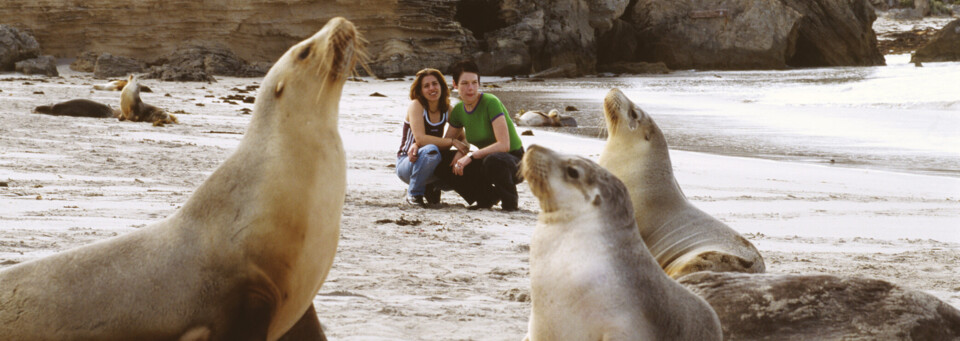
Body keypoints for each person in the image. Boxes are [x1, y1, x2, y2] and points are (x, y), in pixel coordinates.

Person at [441, 60, 525, 211]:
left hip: (515, 162)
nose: (470, 88)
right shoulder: (459, 111)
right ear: (455, 84)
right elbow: (446, 142)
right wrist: (460, 152)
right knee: (443, 160)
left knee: (494, 160)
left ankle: (510, 203)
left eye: (474, 82)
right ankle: (486, 198)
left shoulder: (490, 102)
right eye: (465, 83)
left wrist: (471, 156)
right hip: (488, 160)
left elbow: (503, 145)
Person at [395, 68, 467, 207]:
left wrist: (461, 153)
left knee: (465, 162)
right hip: (407, 161)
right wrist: (452, 141)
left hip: (431, 161)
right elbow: (421, 139)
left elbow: (464, 140)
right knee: (431, 150)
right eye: (426, 86)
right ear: (420, 90)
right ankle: (414, 194)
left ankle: (432, 187)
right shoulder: (417, 106)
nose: (432, 88)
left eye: (435, 84)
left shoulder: (447, 109)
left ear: (441, 86)